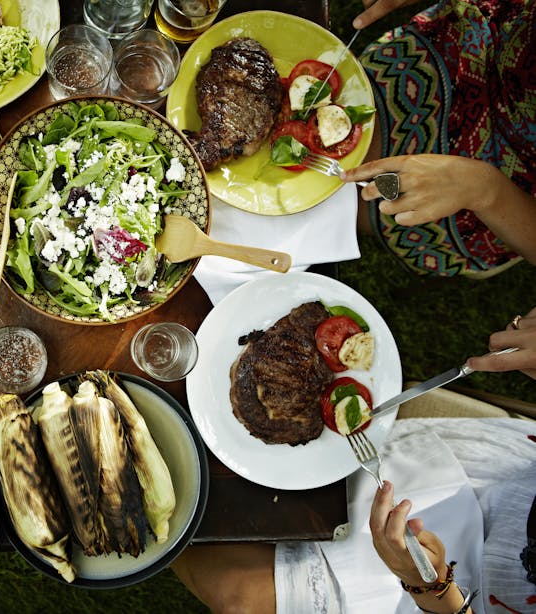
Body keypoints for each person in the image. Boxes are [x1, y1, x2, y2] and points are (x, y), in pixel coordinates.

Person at [171, 310, 536, 613]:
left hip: (455, 598)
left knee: (239, 597)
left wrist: (430, 587)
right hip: (500, 481)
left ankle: (153, 504)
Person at [339, 0, 536, 277]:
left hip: (509, 187)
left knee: (347, 202)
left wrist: (486, 190)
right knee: (338, 111)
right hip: (472, 41)